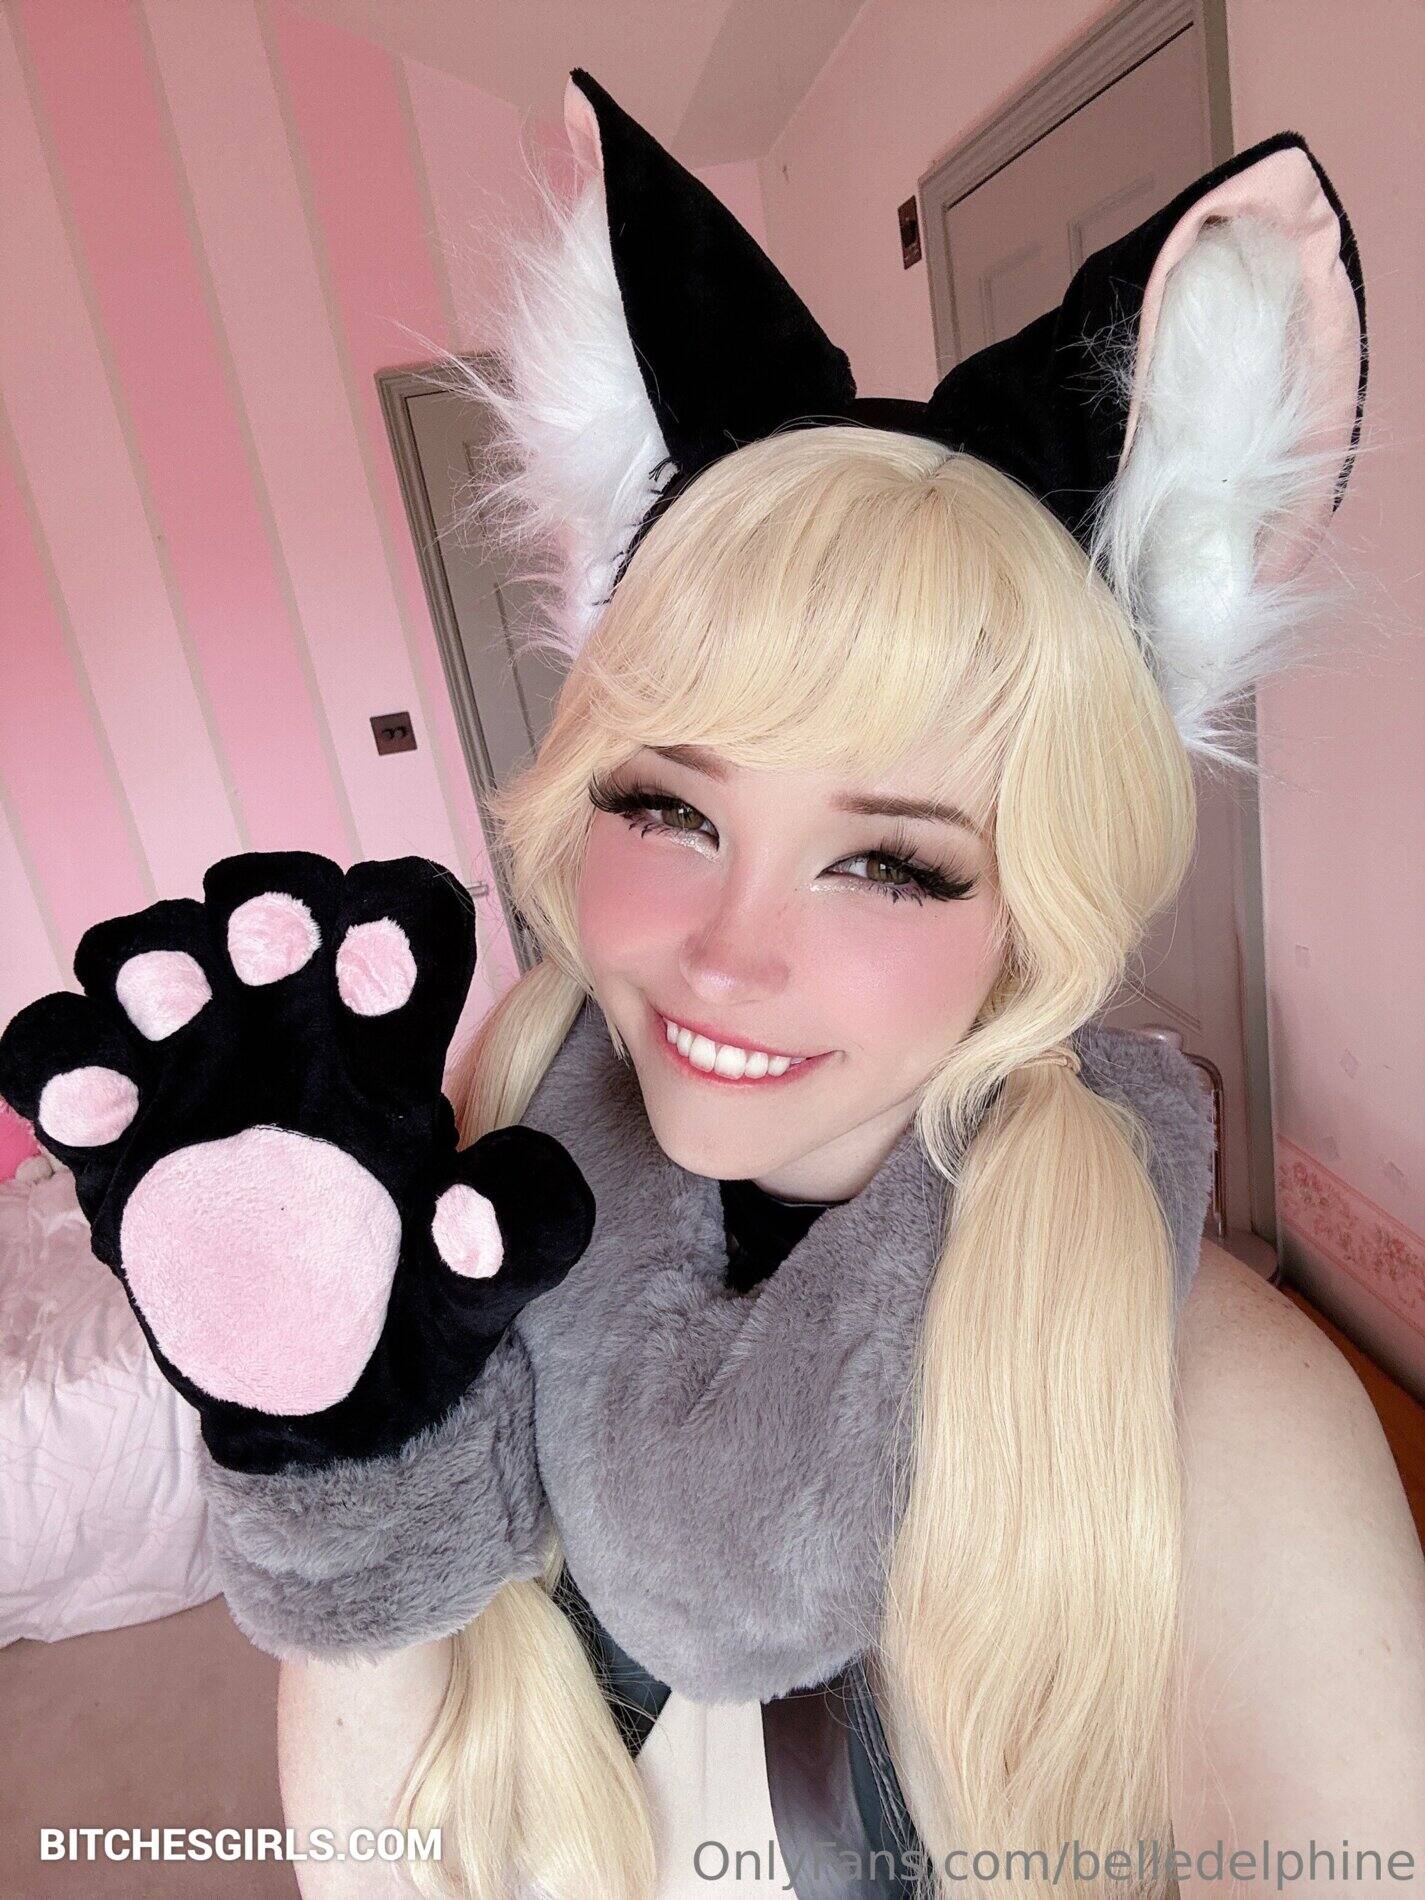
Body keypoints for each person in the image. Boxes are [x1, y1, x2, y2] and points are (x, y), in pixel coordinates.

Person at [3, 68, 1421, 1900]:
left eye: (888, 858)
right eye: (668, 809)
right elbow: (372, 1872)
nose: (730, 951)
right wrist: (329, 1447)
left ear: (1041, 909)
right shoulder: (450, 1261)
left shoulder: (1230, 1431)